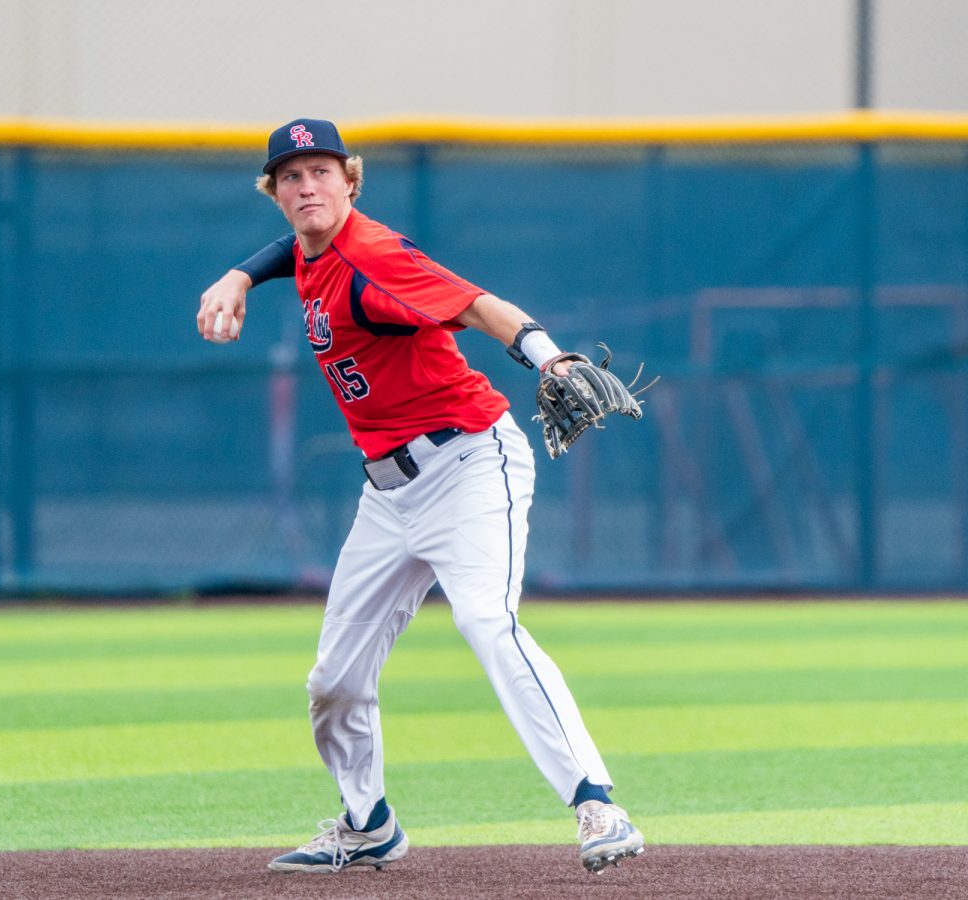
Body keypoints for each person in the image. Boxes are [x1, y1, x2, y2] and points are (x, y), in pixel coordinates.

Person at [197, 118, 645, 875]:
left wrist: (549, 356)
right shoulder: (313, 248)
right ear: (274, 193)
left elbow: (475, 304)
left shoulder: (374, 256)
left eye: (323, 172)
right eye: (291, 176)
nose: (309, 186)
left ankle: (597, 803)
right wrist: (239, 274)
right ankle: (367, 823)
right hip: (387, 497)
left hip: (470, 462)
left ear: (351, 181)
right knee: (333, 680)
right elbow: (295, 249)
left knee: (485, 621)